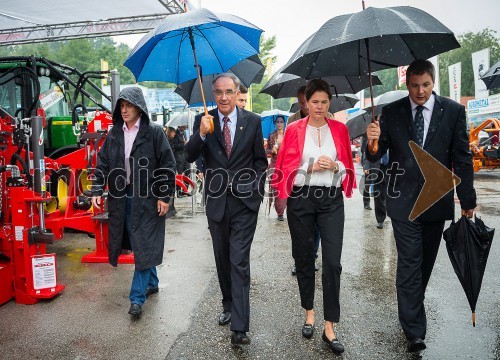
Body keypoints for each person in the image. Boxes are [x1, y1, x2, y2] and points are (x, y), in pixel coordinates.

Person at [365, 59, 476, 352]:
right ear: (407, 83)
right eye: (414, 85)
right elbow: (377, 156)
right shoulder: (392, 112)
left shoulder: (453, 112)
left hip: (437, 199)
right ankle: (414, 330)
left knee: (424, 263)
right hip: (402, 200)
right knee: (410, 261)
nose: (420, 91)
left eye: (425, 84)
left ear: (433, 81)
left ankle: (413, 303)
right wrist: (373, 142)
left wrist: (468, 199)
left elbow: (462, 158)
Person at [273, 79, 356, 354]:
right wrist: (307, 170)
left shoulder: (340, 129)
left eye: (324, 102)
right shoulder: (295, 130)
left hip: (331, 201)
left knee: (332, 262)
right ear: (305, 103)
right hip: (302, 199)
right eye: (314, 102)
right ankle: (309, 312)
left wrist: (336, 165)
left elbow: (349, 172)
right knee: (304, 257)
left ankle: (329, 326)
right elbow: (285, 171)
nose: (319, 107)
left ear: (329, 102)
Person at [185, 73, 268, 346]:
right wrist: (201, 134)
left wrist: (253, 187)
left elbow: (260, 162)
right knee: (222, 259)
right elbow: (188, 155)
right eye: (218, 92)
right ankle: (228, 304)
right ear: (213, 95)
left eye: (228, 92)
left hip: (245, 203)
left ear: (237, 93)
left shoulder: (253, 122)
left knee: (238, 260)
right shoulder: (204, 121)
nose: (223, 97)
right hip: (217, 202)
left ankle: (240, 327)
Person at [91, 87, 176, 319]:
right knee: (140, 244)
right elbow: (103, 163)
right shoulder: (115, 134)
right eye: (121, 105)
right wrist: (97, 188)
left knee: (143, 245)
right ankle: (153, 282)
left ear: (139, 107)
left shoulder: (155, 133)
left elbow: (168, 166)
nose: (124, 109)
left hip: (149, 200)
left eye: (128, 104)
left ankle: (136, 299)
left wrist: (164, 195)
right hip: (123, 199)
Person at [287, 85, 331, 275]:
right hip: (299, 182)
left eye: (309, 100)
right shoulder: (292, 121)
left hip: (323, 183)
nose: (305, 105)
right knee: (299, 229)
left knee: (317, 227)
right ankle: (299, 258)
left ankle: (312, 255)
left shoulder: (329, 120)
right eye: (302, 101)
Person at [266, 115, 287, 221]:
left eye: (281, 122)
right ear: (275, 123)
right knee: (275, 189)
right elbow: (267, 151)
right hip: (274, 165)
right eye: (277, 122)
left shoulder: (287, 135)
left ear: (284, 123)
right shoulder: (271, 136)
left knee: (283, 188)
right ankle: (278, 208)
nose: (279, 123)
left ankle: (281, 212)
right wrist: (272, 151)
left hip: (285, 165)